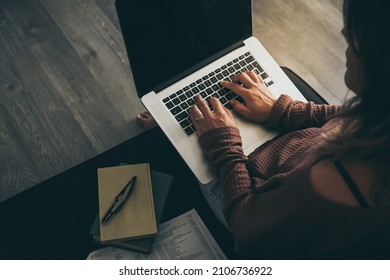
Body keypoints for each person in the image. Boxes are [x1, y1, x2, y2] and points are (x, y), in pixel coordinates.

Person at [137, 0, 390, 258]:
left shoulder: (327, 187)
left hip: (247, 201)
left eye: (358, 33)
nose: (344, 32)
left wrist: (222, 144)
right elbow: (348, 115)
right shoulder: (380, 116)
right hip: (292, 155)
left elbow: (246, 228)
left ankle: (173, 117)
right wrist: (280, 111)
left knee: (186, 138)